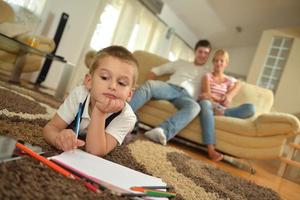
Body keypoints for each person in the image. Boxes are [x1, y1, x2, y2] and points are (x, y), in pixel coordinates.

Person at [43, 46, 139, 156]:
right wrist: (57, 139)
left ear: (129, 94)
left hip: (126, 125)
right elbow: (51, 128)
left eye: (121, 83)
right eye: (104, 77)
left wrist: (100, 111)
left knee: (128, 136)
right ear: (89, 81)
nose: (113, 86)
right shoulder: (79, 95)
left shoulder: (126, 116)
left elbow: (95, 151)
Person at [129, 40, 212, 145]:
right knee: (150, 84)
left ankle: (162, 131)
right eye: (200, 51)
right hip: (170, 88)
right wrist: (151, 83)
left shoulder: (208, 73)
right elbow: (155, 70)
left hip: (187, 97)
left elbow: (210, 90)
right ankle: (122, 115)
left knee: (195, 107)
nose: (202, 55)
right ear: (195, 51)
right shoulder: (181, 63)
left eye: (206, 53)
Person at [198, 49, 255, 161]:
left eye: (222, 61)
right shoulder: (207, 76)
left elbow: (237, 85)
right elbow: (207, 95)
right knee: (205, 103)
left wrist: (228, 96)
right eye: (216, 60)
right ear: (213, 62)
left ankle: (223, 113)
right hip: (208, 105)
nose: (218, 63)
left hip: (221, 108)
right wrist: (219, 98)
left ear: (226, 63)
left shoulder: (229, 81)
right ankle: (211, 149)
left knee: (250, 108)